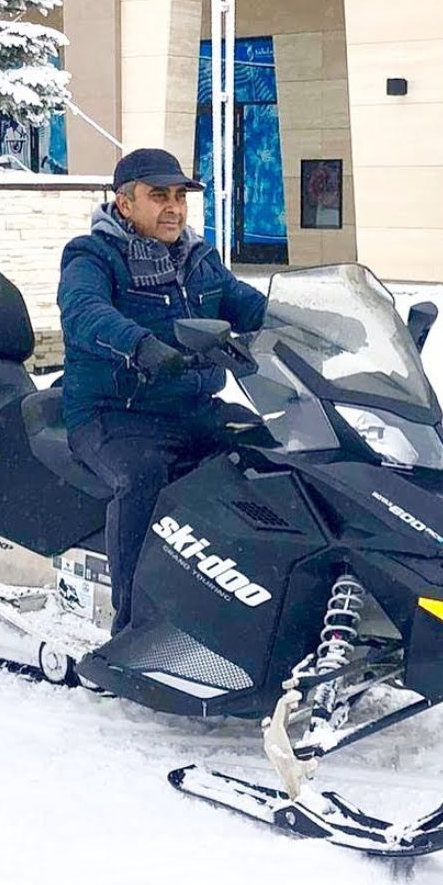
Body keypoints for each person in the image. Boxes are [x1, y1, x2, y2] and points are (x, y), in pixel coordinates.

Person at [57, 148, 267, 632]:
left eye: (180, 196)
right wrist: (142, 346)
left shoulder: (198, 260)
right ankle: (133, 624)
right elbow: (83, 311)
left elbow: (252, 307)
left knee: (272, 450)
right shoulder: (93, 255)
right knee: (142, 477)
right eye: (159, 196)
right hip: (113, 414)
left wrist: (324, 329)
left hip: (192, 408)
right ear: (125, 204)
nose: (174, 207)